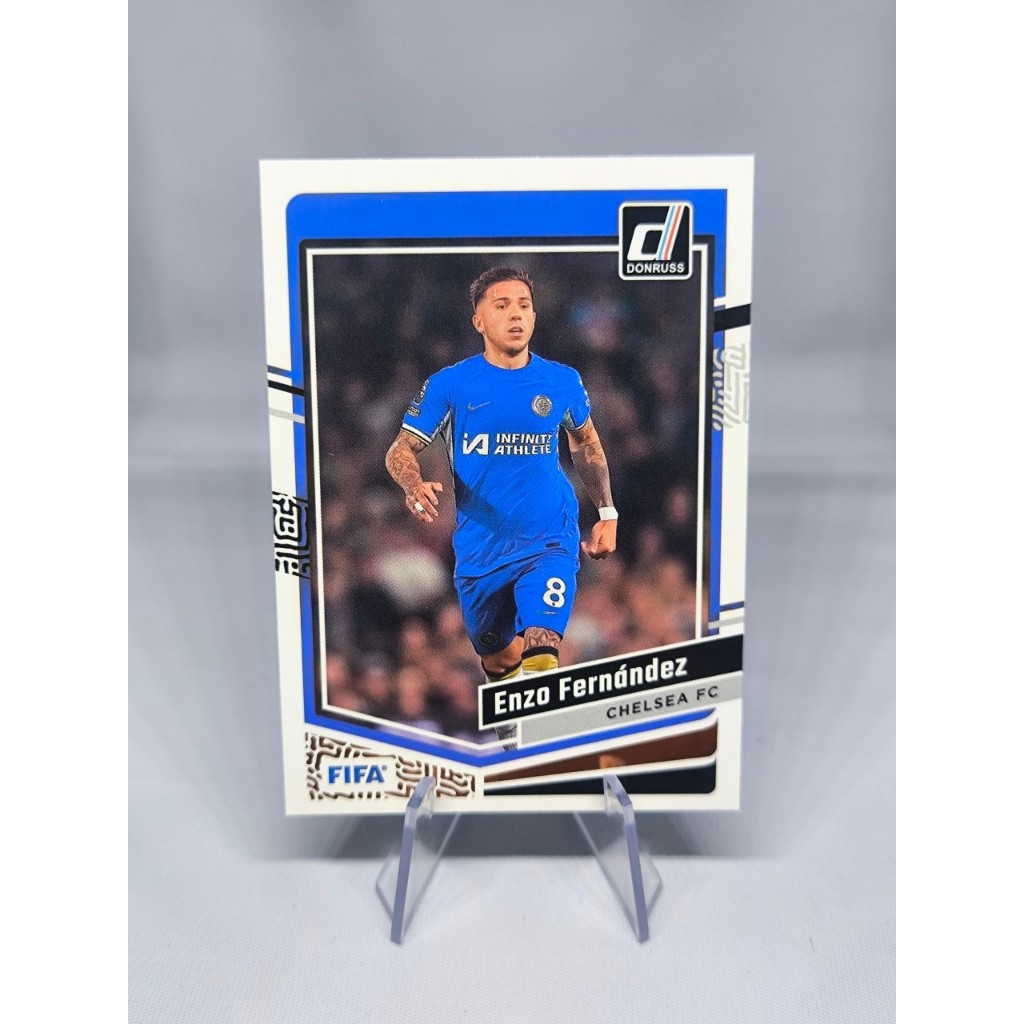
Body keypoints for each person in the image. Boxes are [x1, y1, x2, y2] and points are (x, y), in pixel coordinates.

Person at [385, 267, 617, 745]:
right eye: (502, 305)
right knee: (498, 659)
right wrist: (413, 484)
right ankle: (515, 742)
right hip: (481, 552)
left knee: (542, 648)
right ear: (478, 321)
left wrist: (606, 512)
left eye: (524, 305)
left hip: (548, 539)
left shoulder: (560, 380)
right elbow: (399, 450)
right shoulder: (451, 385)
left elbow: (586, 444)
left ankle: (541, 754)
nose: (516, 315)